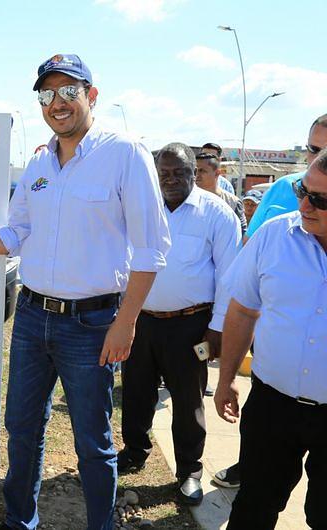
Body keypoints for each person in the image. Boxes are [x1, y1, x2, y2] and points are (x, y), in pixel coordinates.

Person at [0, 53, 171, 530]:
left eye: (69, 91)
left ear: (91, 96)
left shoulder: (125, 154)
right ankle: (20, 521)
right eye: (47, 94)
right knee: (22, 430)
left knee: (92, 442)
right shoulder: (38, 162)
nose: (58, 103)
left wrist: (126, 321)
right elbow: (13, 235)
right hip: (34, 319)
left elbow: (151, 249)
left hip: (92, 324)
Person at [118, 143, 241, 505]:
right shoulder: (142, 209)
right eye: (164, 173)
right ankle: (134, 451)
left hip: (190, 324)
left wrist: (217, 330)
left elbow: (229, 278)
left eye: (179, 172)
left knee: (188, 402)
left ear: (195, 173)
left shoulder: (217, 214)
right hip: (141, 319)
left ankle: (189, 470)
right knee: (136, 390)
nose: (171, 180)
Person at [213, 148, 327, 529]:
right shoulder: (274, 235)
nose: (305, 204)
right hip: (272, 406)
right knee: (254, 509)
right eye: (302, 190)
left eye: (320, 199)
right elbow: (244, 309)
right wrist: (226, 377)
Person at [245, 114, 327, 238]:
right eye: (314, 149)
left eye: (321, 198)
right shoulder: (282, 187)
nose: (304, 207)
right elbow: (250, 245)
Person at [195, 153, 247, 234]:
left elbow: (241, 235)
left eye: (202, 171)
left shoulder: (233, 203)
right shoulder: (185, 199)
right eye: (195, 171)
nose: (197, 175)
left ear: (217, 173)